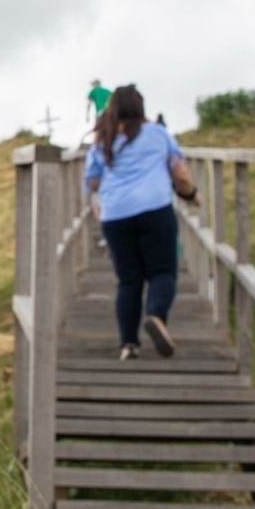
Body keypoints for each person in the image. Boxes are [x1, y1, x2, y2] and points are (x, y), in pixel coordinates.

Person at [84, 84, 184, 360]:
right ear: (141, 108)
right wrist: (191, 194)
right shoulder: (158, 134)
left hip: (115, 215)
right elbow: (180, 172)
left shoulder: (102, 140)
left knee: (128, 280)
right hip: (155, 209)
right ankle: (156, 315)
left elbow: (92, 181)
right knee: (162, 271)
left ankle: (129, 345)